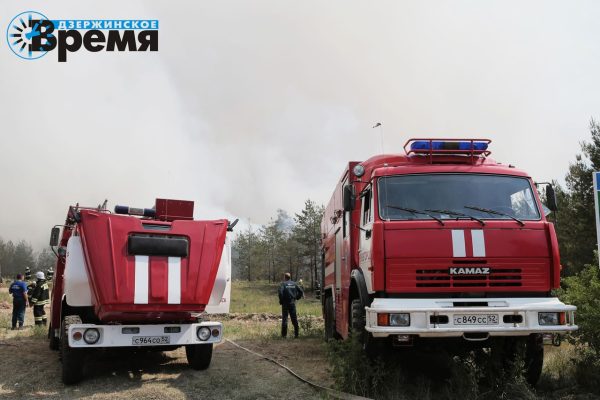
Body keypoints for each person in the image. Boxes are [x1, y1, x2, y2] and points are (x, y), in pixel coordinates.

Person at [278, 272, 304, 338]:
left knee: (285, 319)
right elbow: (301, 291)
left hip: (285, 303)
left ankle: (284, 336)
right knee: (294, 318)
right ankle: (296, 335)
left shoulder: (283, 284)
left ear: (285, 277)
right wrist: (297, 297)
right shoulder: (294, 284)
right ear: (290, 277)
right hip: (292, 303)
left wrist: (281, 301)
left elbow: (280, 293)